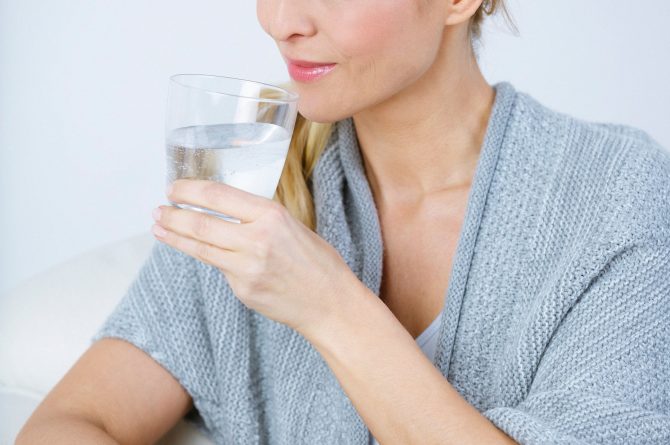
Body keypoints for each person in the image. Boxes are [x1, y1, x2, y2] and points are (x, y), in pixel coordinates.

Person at [17, 1, 670, 444]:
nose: (278, 19)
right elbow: (69, 421)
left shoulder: (617, 199)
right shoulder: (257, 183)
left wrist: (330, 307)